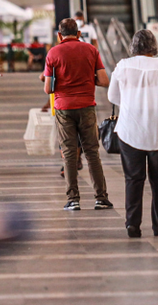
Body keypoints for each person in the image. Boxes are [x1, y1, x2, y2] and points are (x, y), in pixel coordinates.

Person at [108, 30, 158, 238]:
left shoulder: (123, 66)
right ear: (154, 46)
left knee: (133, 179)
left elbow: (112, 95)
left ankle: (132, 224)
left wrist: (132, 103)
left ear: (133, 46)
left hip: (129, 131)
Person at [44, 18, 112, 211]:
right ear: (79, 33)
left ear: (59, 35)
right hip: (87, 106)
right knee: (92, 153)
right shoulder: (91, 50)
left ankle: (73, 199)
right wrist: (88, 81)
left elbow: (48, 88)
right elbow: (104, 80)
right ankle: (101, 197)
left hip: (64, 109)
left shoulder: (53, 53)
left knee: (69, 154)